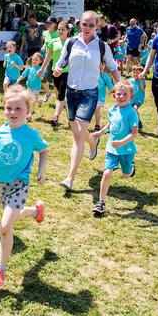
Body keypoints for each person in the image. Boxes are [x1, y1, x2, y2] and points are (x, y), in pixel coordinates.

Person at [0, 85, 48, 289]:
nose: (13, 113)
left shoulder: (31, 135)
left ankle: (0, 270)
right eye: (9, 108)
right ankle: (35, 211)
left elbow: (44, 150)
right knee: (12, 214)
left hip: (20, 183)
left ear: (28, 111)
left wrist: (41, 171)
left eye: (18, 109)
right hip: (0, 184)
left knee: (5, 226)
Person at [54, 10, 120, 191]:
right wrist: (58, 69)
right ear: (79, 25)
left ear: (97, 26)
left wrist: (120, 85)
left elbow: (113, 68)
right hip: (71, 92)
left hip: (89, 94)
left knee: (77, 135)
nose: (88, 28)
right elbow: (61, 62)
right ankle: (93, 142)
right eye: (85, 24)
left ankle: (70, 178)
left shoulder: (101, 47)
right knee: (78, 133)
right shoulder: (71, 42)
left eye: (92, 25)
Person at [89, 80, 138, 217]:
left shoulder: (131, 112)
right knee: (106, 173)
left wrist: (122, 142)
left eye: (124, 94)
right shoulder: (112, 110)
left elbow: (134, 133)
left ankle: (131, 168)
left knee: (126, 174)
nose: (121, 97)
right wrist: (101, 132)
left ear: (131, 97)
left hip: (126, 149)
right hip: (112, 149)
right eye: (118, 94)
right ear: (114, 96)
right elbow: (111, 124)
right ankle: (101, 202)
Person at [39, 21, 70, 129]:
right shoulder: (53, 41)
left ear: (68, 30)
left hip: (67, 71)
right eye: (59, 29)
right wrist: (42, 69)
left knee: (61, 94)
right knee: (59, 96)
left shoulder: (71, 42)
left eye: (63, 29)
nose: (61, 31)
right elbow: (48, 57)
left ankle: (55, 117)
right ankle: (71, 117)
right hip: (55, 71)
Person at [17, 52, 44, 121]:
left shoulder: (40, 69)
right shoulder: (29, 68)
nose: (34, 61)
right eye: (33, 59)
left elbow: (42, 79)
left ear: (40, 61)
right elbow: (24, 74)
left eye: (36, 60)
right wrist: (19, 79)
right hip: (29, 87)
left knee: (31, 101)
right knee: (30, 100)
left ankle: (30, 115)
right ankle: (40, 101)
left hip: (36, 88)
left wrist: (40, 75)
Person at [39, 17, 58, 103]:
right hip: (47, 58)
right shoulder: (45, 33)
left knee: (56, 79)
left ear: (55, 24)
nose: (48, 24)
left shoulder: (59, 33)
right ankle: (48, 93)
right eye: (47, 22)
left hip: (57, 59)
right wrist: (43, 47)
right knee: (43, 76)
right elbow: (46, 43)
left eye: (50, 23)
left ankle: (58, 98)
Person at [93, 62, 114, 131]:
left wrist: (109, 91)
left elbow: (110, 86)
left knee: (96, 110)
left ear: (105, 66)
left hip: (100, 97)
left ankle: (97, 124)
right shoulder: (92, 74)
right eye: (99, 64)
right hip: (91, 96)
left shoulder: (105, 76)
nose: (100, 66)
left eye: (102, 64)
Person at [129, 65, 146, 129]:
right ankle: (134, 123)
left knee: (135, 108)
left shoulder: (142, 81)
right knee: (131, 111)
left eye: (137, 73)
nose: (135, 74)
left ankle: (138, 123)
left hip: (139, 99)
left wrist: (141, 80)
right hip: (131, 100)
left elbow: (142, 88)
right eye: (134, 72)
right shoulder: (130, 80)